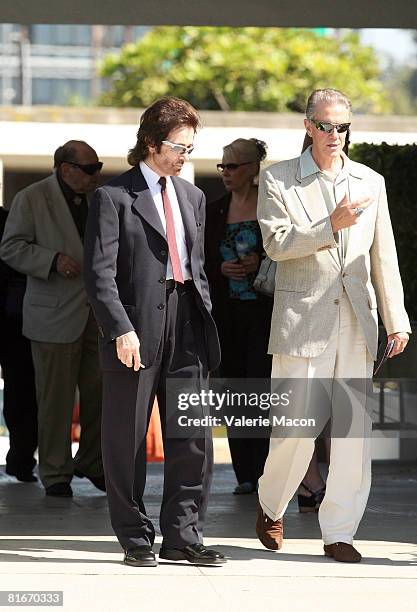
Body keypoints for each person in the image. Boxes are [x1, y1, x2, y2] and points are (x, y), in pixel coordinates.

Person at [255, 88, 410, 563]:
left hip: (357, 320)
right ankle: (271, 503)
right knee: (295, 428)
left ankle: (339, 530)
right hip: (303, 319)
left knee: (352, 434)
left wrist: (396, 318)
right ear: (308, 126)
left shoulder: (371, 181)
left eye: (342, 126)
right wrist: (331, 224)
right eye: (325, 126)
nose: (335, 135)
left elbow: (384, 255)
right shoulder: (278, 178)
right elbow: (276, 245)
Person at [83, 96, 226, 568]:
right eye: (178, 145)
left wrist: (203, 318)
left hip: (188, 323)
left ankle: (183, 535)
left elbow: (197, 268)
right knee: (126, 436)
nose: (186, 155)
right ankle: (134, 537)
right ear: (150, 142)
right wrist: (119, 328)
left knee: (193, 436)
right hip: (136, 327)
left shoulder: (193, 196)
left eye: (190, 146)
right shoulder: (113, 197)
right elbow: (99, 274)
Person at [0, 141, 105, 498]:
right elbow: (11, 247)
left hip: (96, 313)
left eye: (97, 168)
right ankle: (56, 472)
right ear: (65, 168)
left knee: (100, 393)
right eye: (89, 169)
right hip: (52, 314)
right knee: (55, 400)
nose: (95, 175)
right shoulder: (31, 197)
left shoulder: (98, 198)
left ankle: (91, 461)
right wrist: (52, 260)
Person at [205, 138, 273, 494]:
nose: (226, 173)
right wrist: (222, 268)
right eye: (223, 166)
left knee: (261, 389)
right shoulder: (214, 210)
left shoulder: (272, 207)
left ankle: (265, 470)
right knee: (232, 390)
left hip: (263, 313)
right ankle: (244, 473)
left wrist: (259, 263)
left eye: (233, 166)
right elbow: (198, 262)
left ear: (253, 168)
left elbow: (284, 252)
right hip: (226, 314)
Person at [0, 207, 38, 483]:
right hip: (13, 316)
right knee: (21, 391)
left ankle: (22, 457)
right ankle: (21, 458)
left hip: (12, 317)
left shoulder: (9, 219)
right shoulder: (10, 219)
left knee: (21, 391)